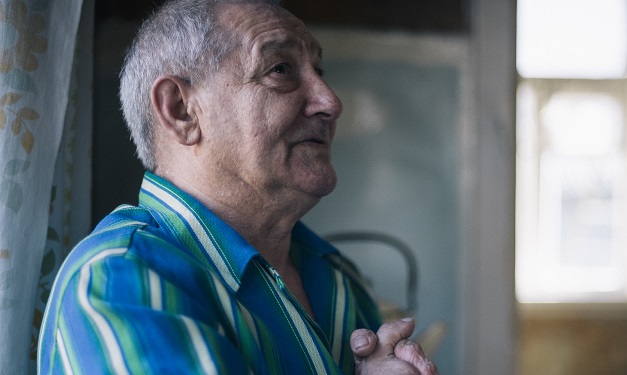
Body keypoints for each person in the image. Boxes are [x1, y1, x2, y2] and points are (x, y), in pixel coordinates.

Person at [38, 0, 439, 374]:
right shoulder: (120, 279)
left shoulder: (338, 278)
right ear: (181, 110)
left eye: (320, 72)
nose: (330, 101)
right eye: (280, 70)